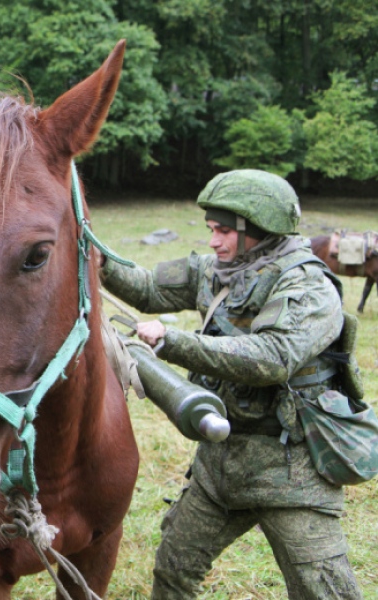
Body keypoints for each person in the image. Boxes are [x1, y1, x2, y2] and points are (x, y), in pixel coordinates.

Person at [99, 169, 362, 599]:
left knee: (325, 591)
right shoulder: (216, 270)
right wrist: (98, 258)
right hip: (220, 465)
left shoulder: (309, 285)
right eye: (210, 230)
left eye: (224, 231)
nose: (213, 241)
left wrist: (172, 339)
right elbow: (147, 289)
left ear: (261, 231)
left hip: (289, 472)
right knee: (173, 572)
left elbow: (273, 357)